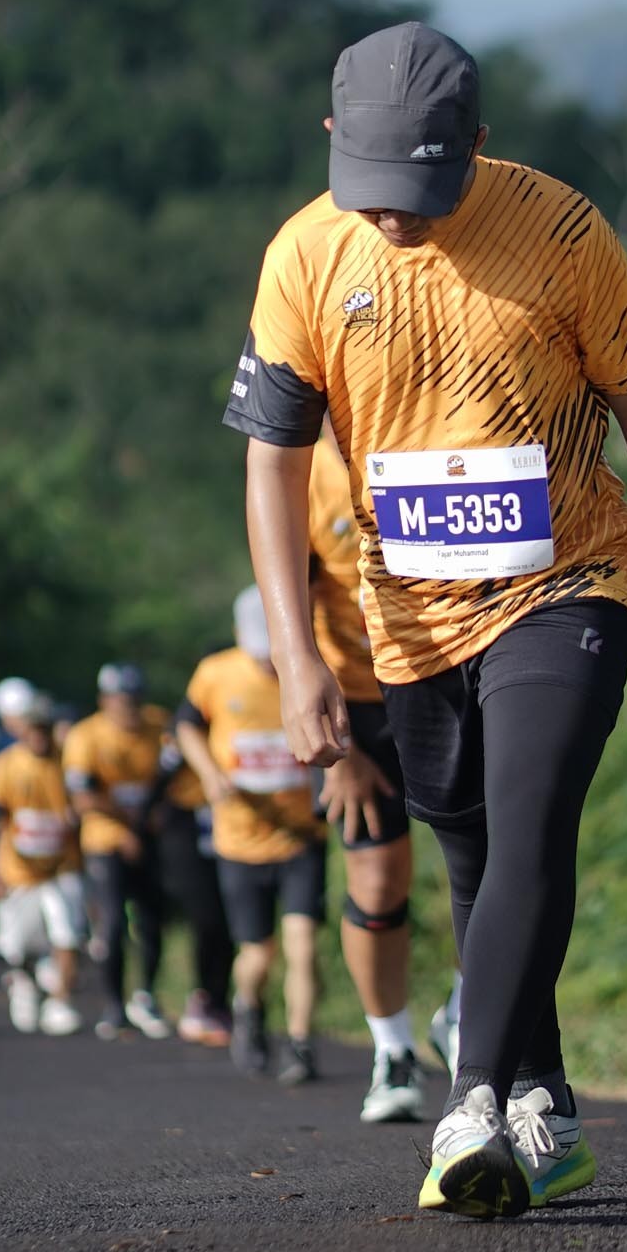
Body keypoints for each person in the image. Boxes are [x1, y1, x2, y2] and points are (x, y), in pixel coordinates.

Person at [224, 21, 627, 1216]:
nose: (393, 214)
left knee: (530, 813)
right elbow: (271, 463)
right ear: (329, 140)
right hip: (406, 615)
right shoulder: (304, 254)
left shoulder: (558, 229)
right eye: (370, 186)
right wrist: (297, 656)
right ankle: (543, 1099)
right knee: (470, 848)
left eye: (420, 187)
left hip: (566, 580)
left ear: (477, 145)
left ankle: (469, 1102)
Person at [309, 424, 426, 1123]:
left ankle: (474, 1018)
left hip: (448, 676)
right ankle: (392, 1049)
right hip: (358, 703)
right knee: (379, 881)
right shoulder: (300, 470)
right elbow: (287, 615)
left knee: (504, 854)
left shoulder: (426, 428)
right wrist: (341, 749)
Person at [175, 590, 326, 1084]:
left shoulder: (310, 667)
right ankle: (248, 1009)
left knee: (303, 945)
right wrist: (210, 774)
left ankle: (300, 1045)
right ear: (240, 636)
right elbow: (186, 728)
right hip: (240, 841)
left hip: (301, 836)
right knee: (258, 955)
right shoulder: (216, 674)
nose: (267, 662)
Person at [64, 662, 172, 1041]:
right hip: (106, 839)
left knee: (152, 919)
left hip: (149, 837)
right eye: (122, 701)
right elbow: (83, 798)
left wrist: (159, 812)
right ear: (105, 700)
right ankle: (113, 1005)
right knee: (112, 924)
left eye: (135, 700)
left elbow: (172, 776)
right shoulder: (85, 736)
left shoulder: (158, 725)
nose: (130, 709)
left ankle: (146, 995)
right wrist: (129, 826)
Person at [0, 683, 84, 1033]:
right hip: (19, 871)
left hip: (62, 865)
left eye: (45, 728)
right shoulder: (4, 767)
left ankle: (61, 1001)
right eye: (33, 729)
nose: (39, 736)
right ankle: (24, 978)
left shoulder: (67, 762)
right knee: (18, 944)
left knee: (68, 933)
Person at [152, 743, 234, 1047]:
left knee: (229, 922)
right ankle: (202, 997)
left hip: (233, 819)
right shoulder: (182, 735)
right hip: (186, 827)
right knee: (205, 918)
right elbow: (156, 780)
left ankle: (223, 1000)